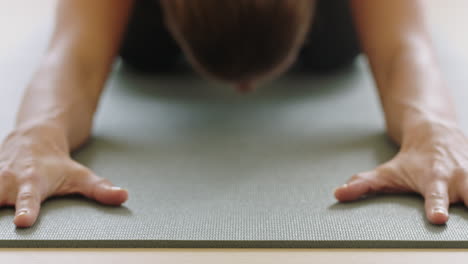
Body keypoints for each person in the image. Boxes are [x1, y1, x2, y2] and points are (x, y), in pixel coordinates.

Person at [1, 0, 466, 228]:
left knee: (335, 51)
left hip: (328, 29)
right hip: (151, 25)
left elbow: (404, 49)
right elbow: (74, 57)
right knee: (141, 50)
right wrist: (36, 136)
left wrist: (434, 132)